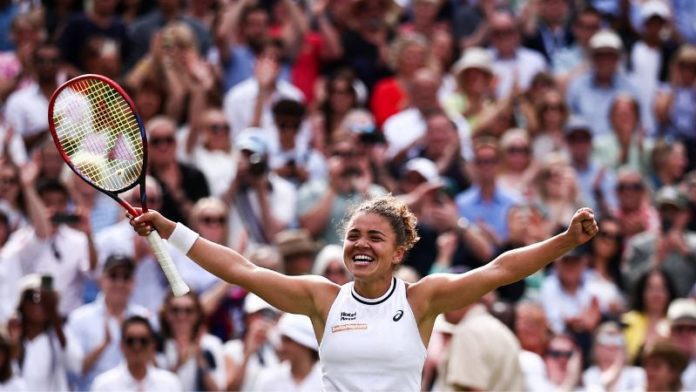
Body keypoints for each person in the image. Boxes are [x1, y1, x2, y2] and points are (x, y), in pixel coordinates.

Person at [129, 192, 598, 390]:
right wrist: (171, 229)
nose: (360, 244)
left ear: (398, 253)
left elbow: (500, 269)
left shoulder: (422, 299)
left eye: (375, 237)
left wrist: (565, 240)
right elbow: (241, 269)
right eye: (354, 235)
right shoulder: (322, 298)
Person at [65, 254, 152, 391]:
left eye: (126, 277)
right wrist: (103, 345)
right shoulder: (80, 319)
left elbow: (156, 368)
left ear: (133, 282)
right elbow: (73, 372)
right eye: (113, 276)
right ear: (102, 279)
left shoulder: (144, 317)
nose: (119, 283)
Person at [90, 315, 182, 391]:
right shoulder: (104, 385)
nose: (137, 347)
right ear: (121, 346)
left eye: (143, 341)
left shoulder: (170, 384)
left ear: (152, 346)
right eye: (130, 341)